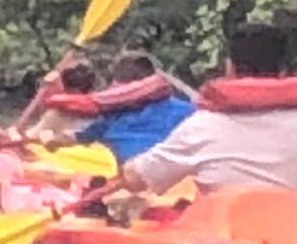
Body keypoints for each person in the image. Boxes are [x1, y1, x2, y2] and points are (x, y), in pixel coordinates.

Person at [113, 20, 297, 199]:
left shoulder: (201, 126)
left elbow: (139, 178)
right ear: (284, 71)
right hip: (295, 227)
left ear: (230, 68)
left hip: (222, 229)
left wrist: (127, 170)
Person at [44, 50, 195, 161]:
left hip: (141, 173)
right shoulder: (189, 111)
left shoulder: (187, 112)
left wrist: (48, 141)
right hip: (134, 172)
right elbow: (84, 135)